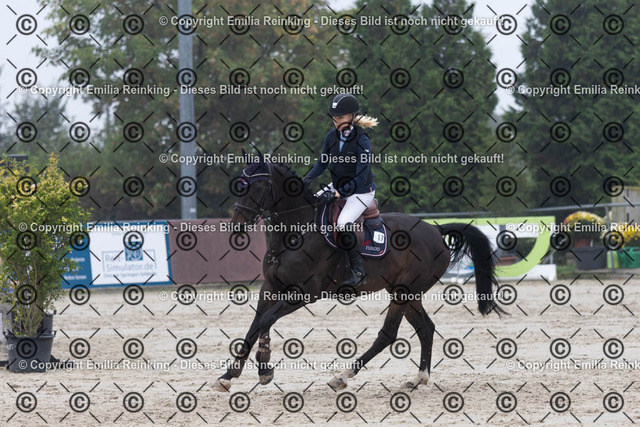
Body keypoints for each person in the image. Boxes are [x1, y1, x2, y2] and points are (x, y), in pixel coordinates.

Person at [303, 94, 378, 287]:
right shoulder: (331, 136)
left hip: (361, 191)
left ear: (352, 116)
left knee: (343, 223)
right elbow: (322, 163)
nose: (336, 122)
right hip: (338, 185)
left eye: (340, 118)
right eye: (334, 118)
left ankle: (358, 271)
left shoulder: (362, 140)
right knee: (312, 205)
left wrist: (338, 193)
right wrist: (306, 179)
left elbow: (361, 176)